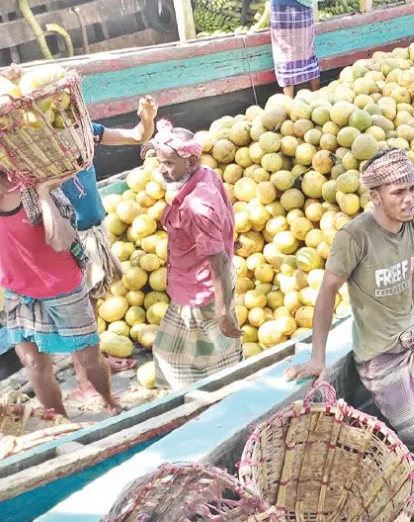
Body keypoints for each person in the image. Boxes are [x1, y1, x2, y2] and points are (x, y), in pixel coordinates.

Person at [285, 148, 414, 473]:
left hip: (413, 342)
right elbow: (327, 292)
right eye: (398, 192)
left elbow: (409, 261)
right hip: (380, 359)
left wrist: (413, 299)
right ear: (375, 196)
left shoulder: (411, 221)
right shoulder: (354, 237)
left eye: (412, 188)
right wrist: (318, 356)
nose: (409, 198)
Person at [0, 171, 121, 415]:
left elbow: (62, 241)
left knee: (89, 359)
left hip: (62, 287)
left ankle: (109, 401)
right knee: (34, 364)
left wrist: (44, 194)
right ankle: (60, 421)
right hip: (18, 292)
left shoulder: (30, 189)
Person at [64, 96, 157, 401]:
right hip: (66, 238)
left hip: (93, 229)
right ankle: (82, 378)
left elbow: (138, 136)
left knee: (90, 301)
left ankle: (96, 363)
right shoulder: (43, 153)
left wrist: (147, 118)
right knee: (75, 308)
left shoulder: (86, 131)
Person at [149, 121, 242, 390]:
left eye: (168, 164)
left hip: (202, 292)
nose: (162, 170)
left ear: (190, 163)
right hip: (193, 285)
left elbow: (219, 261)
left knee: (174, 356)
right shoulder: (205, 174)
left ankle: (204, 399)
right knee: (211, 354)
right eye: (160, 162)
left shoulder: (199, 207)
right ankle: (215, 393)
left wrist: (224, 311)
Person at [265, 0, 325, 97]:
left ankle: (315, 97)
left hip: (297, 0)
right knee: (291, 51)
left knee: (295, 51)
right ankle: (295, 102)